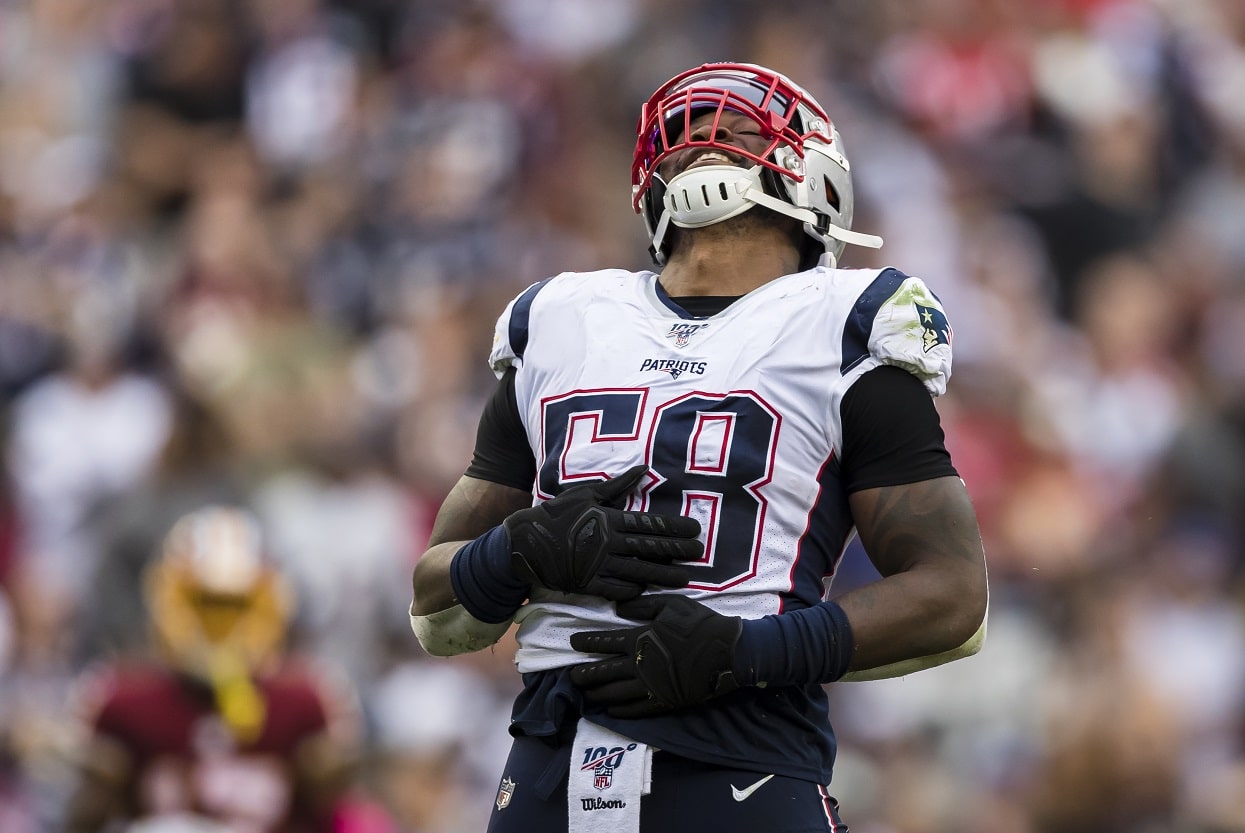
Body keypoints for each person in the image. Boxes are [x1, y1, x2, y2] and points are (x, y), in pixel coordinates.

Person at [409, 61, 988, 833]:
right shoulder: (561, 317)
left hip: (741, 764)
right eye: (682, 134)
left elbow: (954, 596)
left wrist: (748, 650)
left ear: (815, 182)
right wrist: (518, 551)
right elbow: (435, 609)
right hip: (548, 765)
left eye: (746, 130)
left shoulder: (845, 318)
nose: (707, 139)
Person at [63, 505, 362, 833]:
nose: (219, 626)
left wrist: (321, 775)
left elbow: (339, 817)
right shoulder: (118, 698)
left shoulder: (308, 698)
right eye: (205, 604)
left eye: (235, 606)